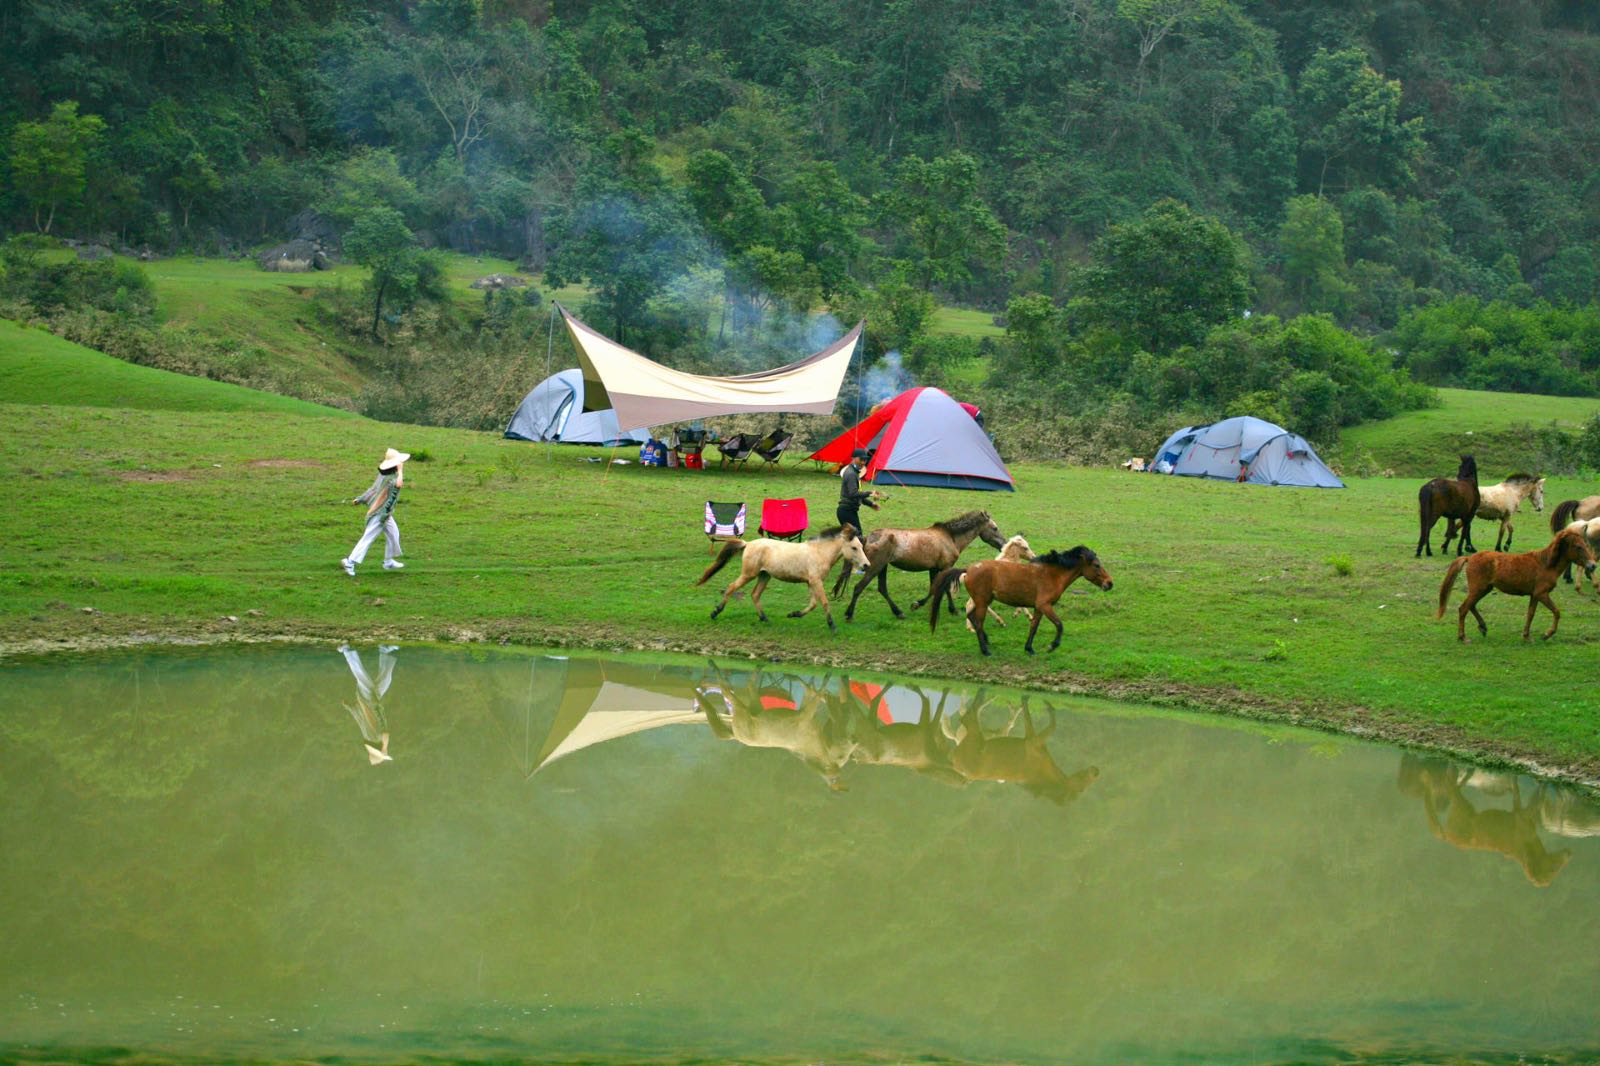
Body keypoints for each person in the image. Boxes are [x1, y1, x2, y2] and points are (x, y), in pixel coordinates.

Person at [341, 447, 408, 576]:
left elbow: (372, 490)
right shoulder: (391, 478)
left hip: (385, 513)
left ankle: (388, 561)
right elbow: (398, 484)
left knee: (393, 534)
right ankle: (350, 562)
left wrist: (360, 499)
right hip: (380, 514)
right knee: (368, 537)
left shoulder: (384, 475)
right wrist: (401, 470)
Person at [837, 447, 881, 535]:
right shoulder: (851, 474)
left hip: (849, 510)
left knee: (853, 538)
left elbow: (857, 495)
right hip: (847, 511)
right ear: (853, 458)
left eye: (865, 460)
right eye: (861, 459)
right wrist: (870, 493)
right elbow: (853, 494)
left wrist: (871, 504)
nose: (863, 462)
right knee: (857, 537)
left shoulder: (855, 472)